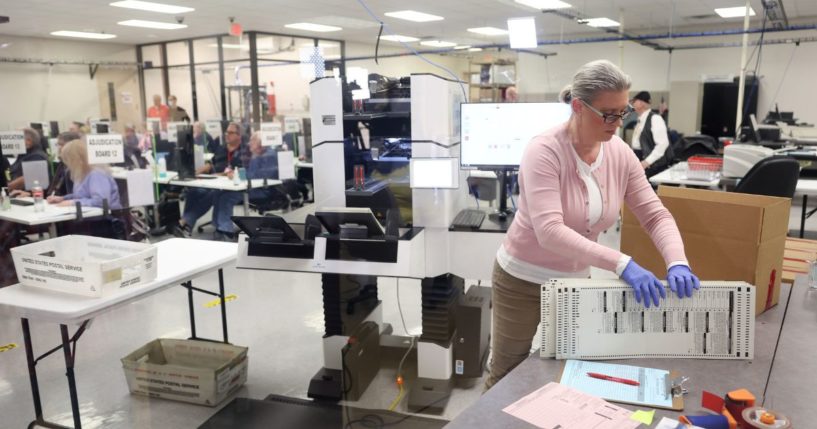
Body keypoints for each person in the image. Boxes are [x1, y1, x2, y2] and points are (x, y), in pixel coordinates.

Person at [485, 60, 700, 390]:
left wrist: (678, 261)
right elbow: (550, 231)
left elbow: (655, 215)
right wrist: (622, 263)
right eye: (608, 113)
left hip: (574, 281)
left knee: (567, 373)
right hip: (522, 279)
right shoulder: (544, 151)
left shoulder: (620, 154)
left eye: (623, 112)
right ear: (577, 106)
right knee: (506, 374)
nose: (617, 123)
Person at [172, 122, 250, 237]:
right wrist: (195, 172)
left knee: (212, 195)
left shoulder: (244, 151)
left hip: (231, 188)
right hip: (214, 182)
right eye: (226, 132)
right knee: (193, 192)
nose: (227, 135)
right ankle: (187, 226)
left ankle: (185, 222)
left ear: (239, 136)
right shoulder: (222, 148)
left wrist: (219, 174)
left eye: (231, 133)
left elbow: (236, 173)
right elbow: (210, 164)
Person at [210, 131, 281, 241]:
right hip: (252, 187)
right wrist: (236, 173)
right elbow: (250, 173)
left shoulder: (269, 155)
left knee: (226, 198)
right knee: (219, 193)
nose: (249, 143)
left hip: (263, 190)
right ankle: (218, 226)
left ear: (261, 143)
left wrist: (239, 175)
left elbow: (261, 176)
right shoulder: (257, 154)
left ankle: (225, 231)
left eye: (252, 140)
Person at [46, 140, 121, 209]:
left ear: (75, 159)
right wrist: (63, 198)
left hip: (107, 218)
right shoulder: (82, 172)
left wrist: (73, 202)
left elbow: (101, 201)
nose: (67, 165)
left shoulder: (96, 174)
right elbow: (82, 196)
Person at [11, 131, 81, 197]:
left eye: (62, 145)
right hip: (57, 202)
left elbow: (76, 194)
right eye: (58, 145)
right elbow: (52, 190)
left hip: (67, 204)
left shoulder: (78, 166)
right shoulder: (63, 163)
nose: (59, 148)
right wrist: (31, 194)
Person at [630, 91, 672, 178]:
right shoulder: (640, 119)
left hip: (653, 165)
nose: (632, 104)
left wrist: (647, 162)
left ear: (641, 103)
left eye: (634, 101)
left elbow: (662, 144)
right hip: (640, 158)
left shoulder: (655, 118)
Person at [7, 127, 49, 191]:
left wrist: (7, 187)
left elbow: (28, 178)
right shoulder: (24, 153)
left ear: (28, 141)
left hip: (28, 195)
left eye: (16, 138)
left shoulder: (37, 156)